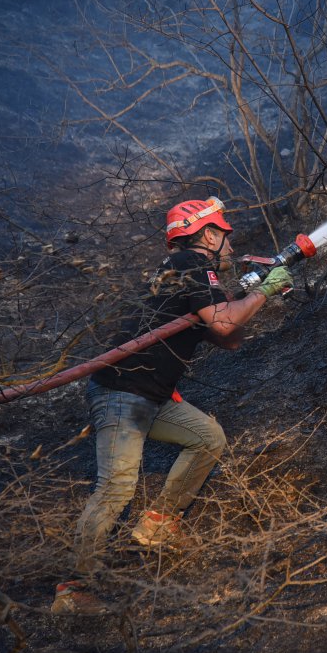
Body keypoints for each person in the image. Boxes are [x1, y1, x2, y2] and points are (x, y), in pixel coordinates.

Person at [52, 196, 293, 614]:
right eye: (226, 235)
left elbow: (229, 337)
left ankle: (158, 524)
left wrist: (250, 293)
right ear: (208, 234)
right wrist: (266, 290)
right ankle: (72, 590)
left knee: (206, 437)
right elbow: (223, 321)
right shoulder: (190, 266)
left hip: (151, 394)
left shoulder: (189, 275)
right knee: (115, 487)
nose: (232, 246)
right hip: (122, 392)